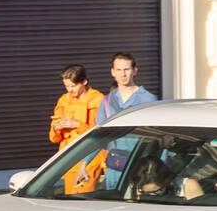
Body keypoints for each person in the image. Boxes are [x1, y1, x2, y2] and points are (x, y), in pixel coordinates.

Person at [77, 52, 159, 189]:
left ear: (135, 71)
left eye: (127, 69)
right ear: (112, 72)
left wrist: (156, 173)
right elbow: (99, 136)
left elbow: (160, 138)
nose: (123, 74)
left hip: (141, 170)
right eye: (119, 70)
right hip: (114, 169)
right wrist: (84, 165)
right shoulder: (107, 101)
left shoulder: (149, 100)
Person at [49, 64, 104, 194]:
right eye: (66, 86)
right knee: (70, 198)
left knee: (84, 197)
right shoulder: (64, 100)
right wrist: (56, 128)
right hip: (69, 157)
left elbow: (101, 134)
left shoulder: (98, 100)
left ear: (84, 81)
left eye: (73, 86)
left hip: (89, 158)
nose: (69, 90)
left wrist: (77, 125)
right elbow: (54, 138)